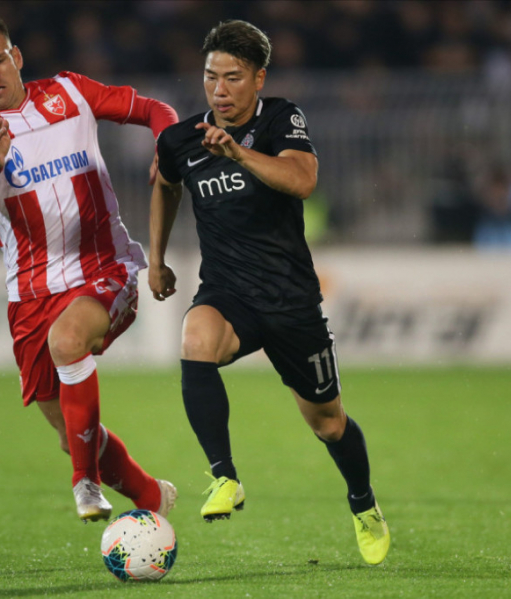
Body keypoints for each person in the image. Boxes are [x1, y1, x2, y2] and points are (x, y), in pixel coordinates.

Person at [148, 20, 390, 565]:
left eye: (233, 78)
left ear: (259, 78)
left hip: (290, 301)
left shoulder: (281, 118)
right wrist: (157, 259)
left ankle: (363, 502)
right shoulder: (180, 139)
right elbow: (163, 183)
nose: (220, 90)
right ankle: (224, 477)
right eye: (211, 77)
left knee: (328, 423)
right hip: (228, 293)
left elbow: (302, 181)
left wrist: (238, 154)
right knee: (195, 338)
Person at [0, 15, 178, 523]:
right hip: (30, 295)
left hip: (104, 267)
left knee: (69, 341)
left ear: (17, 58)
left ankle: (84, 483)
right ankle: (151, 497)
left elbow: (155, 109)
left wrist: (167, 149)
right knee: (70, 434)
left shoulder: (70, 92)